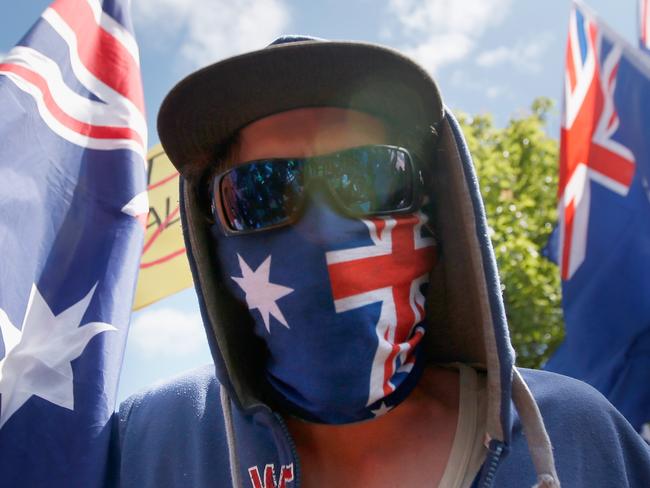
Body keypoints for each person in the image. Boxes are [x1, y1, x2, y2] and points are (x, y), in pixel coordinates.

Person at [109, 36, 650, 488]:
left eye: (368, 176)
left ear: (433, 201)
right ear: (213, 230)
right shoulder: (152, 443)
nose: (322, 227)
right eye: (262, 190)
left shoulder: (579, 436)